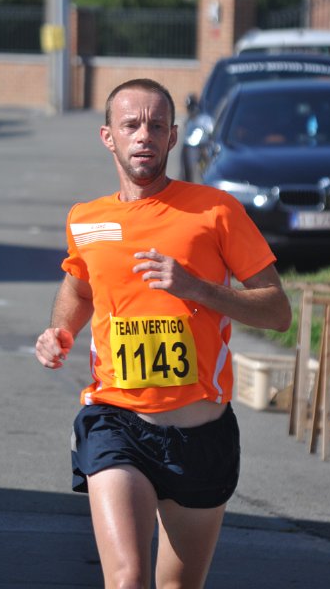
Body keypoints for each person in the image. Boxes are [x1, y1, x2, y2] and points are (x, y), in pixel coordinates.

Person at [35, 78, 292, 589]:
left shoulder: (216, 211)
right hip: (116, 421)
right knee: (127, 578)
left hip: (201, 434)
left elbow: (278, 311)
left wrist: (195, 288)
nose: (143, 135)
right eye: (131, 125)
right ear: (108, 136)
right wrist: (58, 331)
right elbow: (80, 288)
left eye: (156, 125)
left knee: (178, 585)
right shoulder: (86, 220)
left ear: (173, 136)